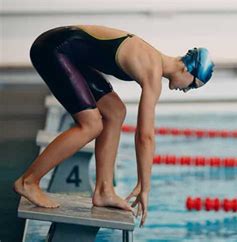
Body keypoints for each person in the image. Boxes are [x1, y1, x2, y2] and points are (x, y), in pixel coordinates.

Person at [13, 25, 214, 227]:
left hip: (66, 53)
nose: (187, 90)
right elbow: (145, 136)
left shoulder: (153, 61)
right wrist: (144, 187)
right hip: (53, 49)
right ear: (187, 69)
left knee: (115, 111)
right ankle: (28, 182)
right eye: (192, 85)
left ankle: (104, 190)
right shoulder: (153, 70)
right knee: (91, 125)